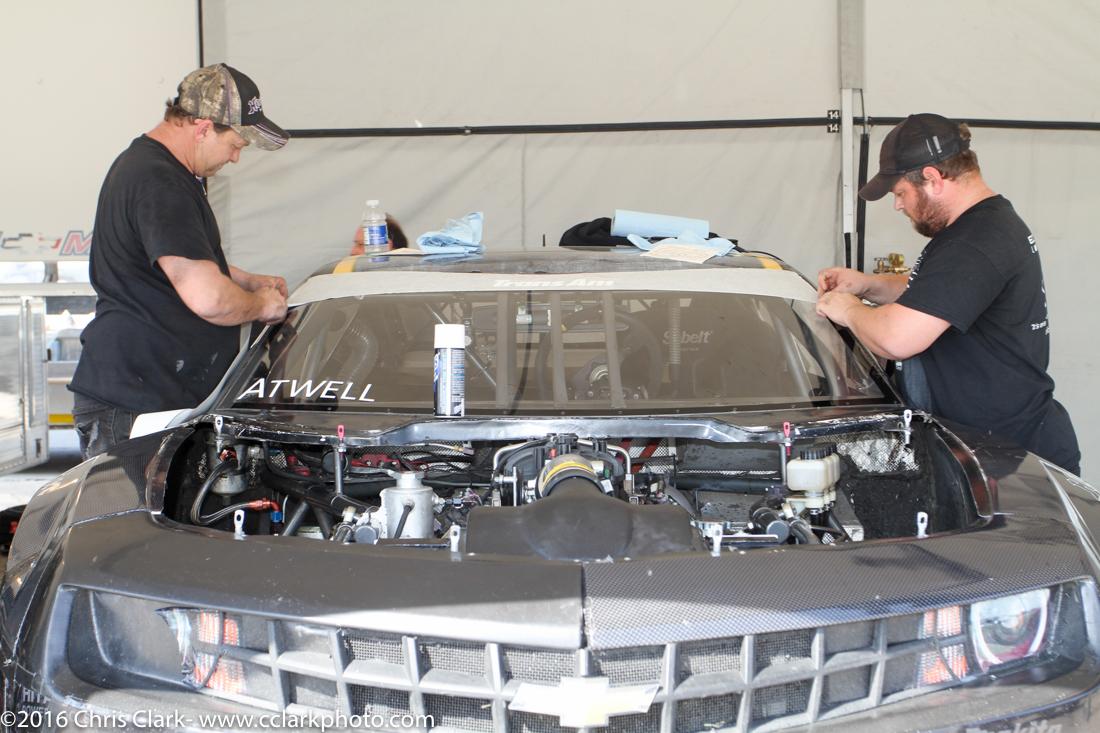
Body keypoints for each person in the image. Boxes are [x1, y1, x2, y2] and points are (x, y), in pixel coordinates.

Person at [816, 113, 1080, 475]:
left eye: (900, 193)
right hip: (995, 447)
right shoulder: (982, 227)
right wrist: (867, 285)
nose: (897, 206)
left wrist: (847, 309)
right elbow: (934, 290)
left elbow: (896, 338)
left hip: (1013, 459)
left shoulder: (976, 241)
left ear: (932, 178)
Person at [70, 63, 291, 459]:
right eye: (237, 145)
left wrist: (243, 281)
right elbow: (209, 298)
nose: (236, 158)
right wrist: (262, 305)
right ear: (203, 128)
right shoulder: (160, 181)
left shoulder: (153, 169)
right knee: (136, 505)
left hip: (146, 396)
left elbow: (173, 262)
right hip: (135, 403)